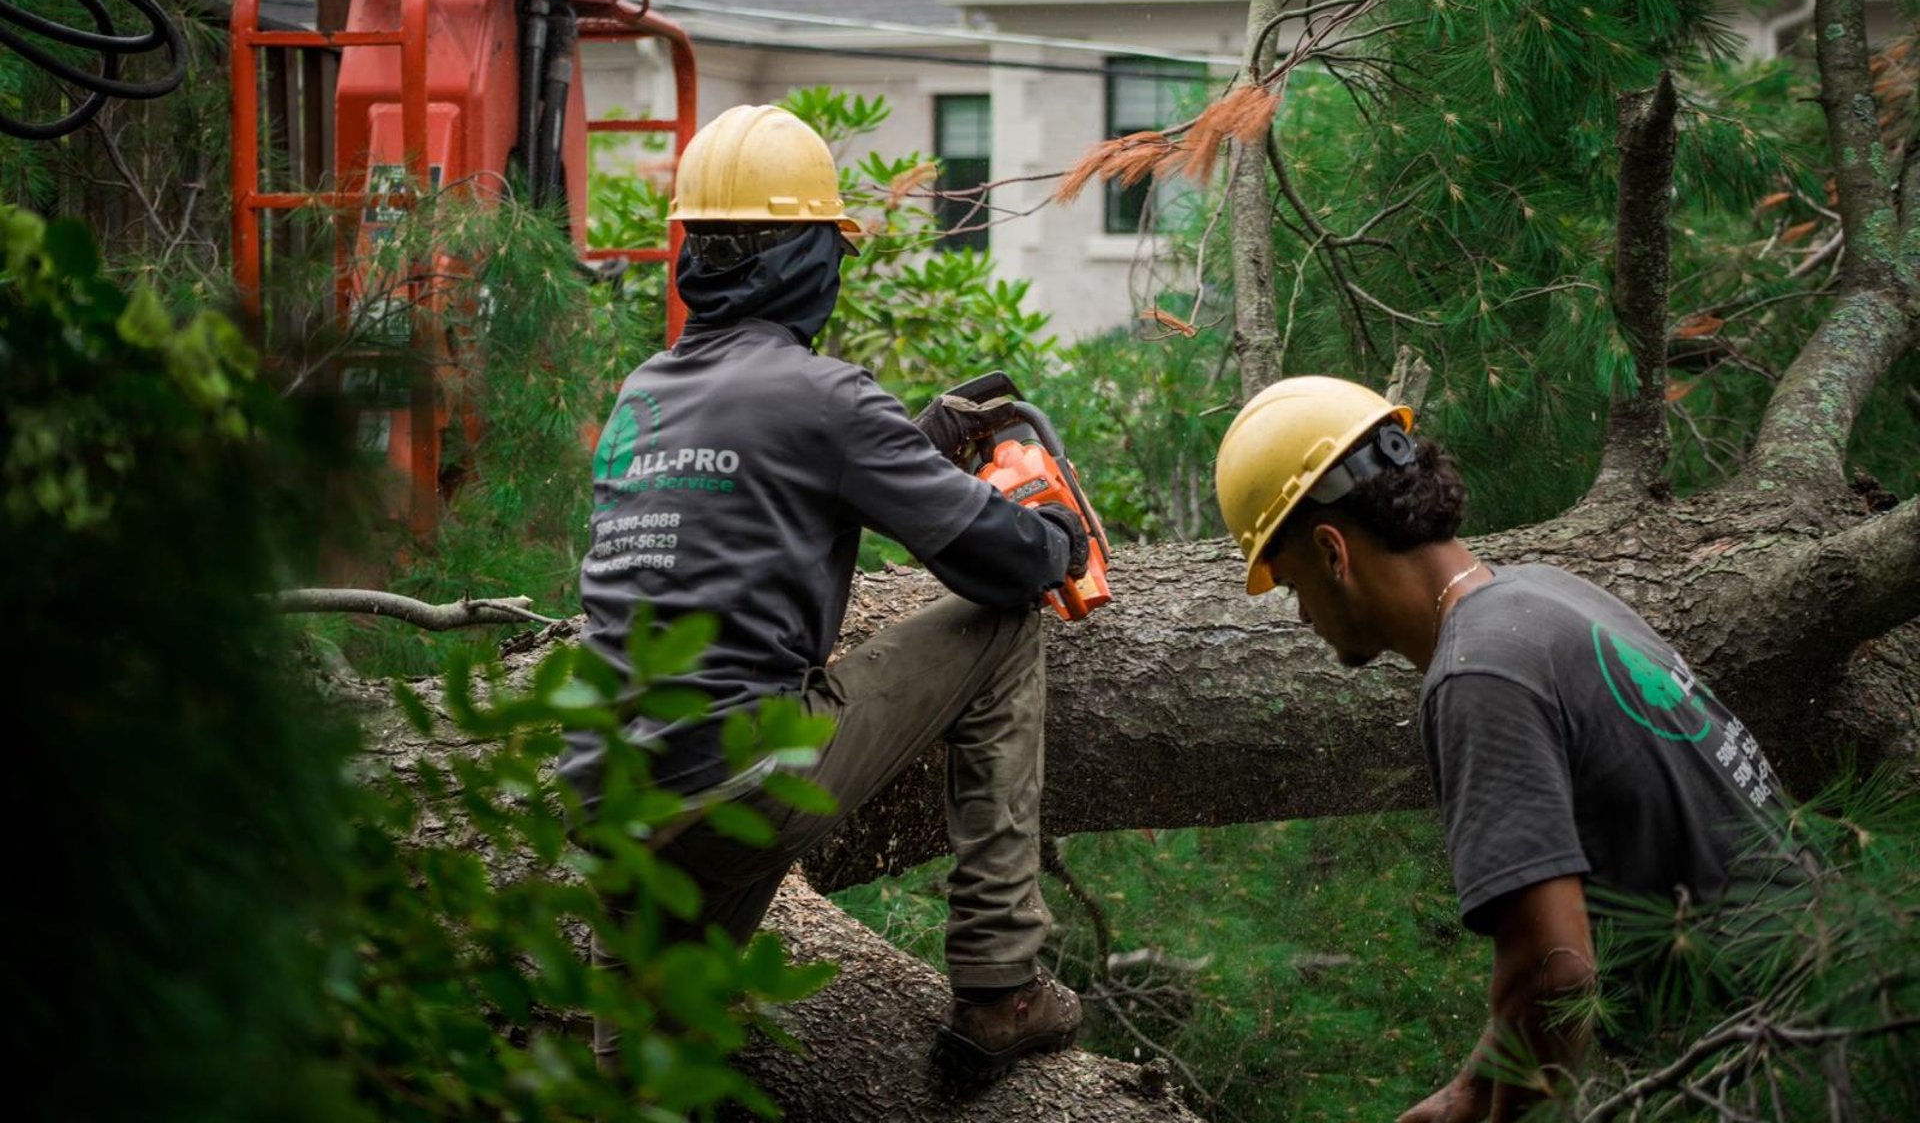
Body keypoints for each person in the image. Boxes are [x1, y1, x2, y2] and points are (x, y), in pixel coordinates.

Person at [560, 104, 1088, 1079]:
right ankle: (1001, 980)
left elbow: (760, 495)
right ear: (811, 256)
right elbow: (997, 564)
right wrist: (1053, 533)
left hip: (615, 797)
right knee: (1007, 630)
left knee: (640, 1088)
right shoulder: (824, 396)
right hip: (744, 773)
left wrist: (909, 442)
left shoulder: (644, 394)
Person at [1212, 376, 1783, 1122]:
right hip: (1827, 1011)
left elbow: (1556, 974)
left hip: (1754, 1072)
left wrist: (1470, 1108)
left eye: (1289, 585)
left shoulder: (1478, 673)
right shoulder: (1551, 595)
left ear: (1331, 551)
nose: (1302, 618)